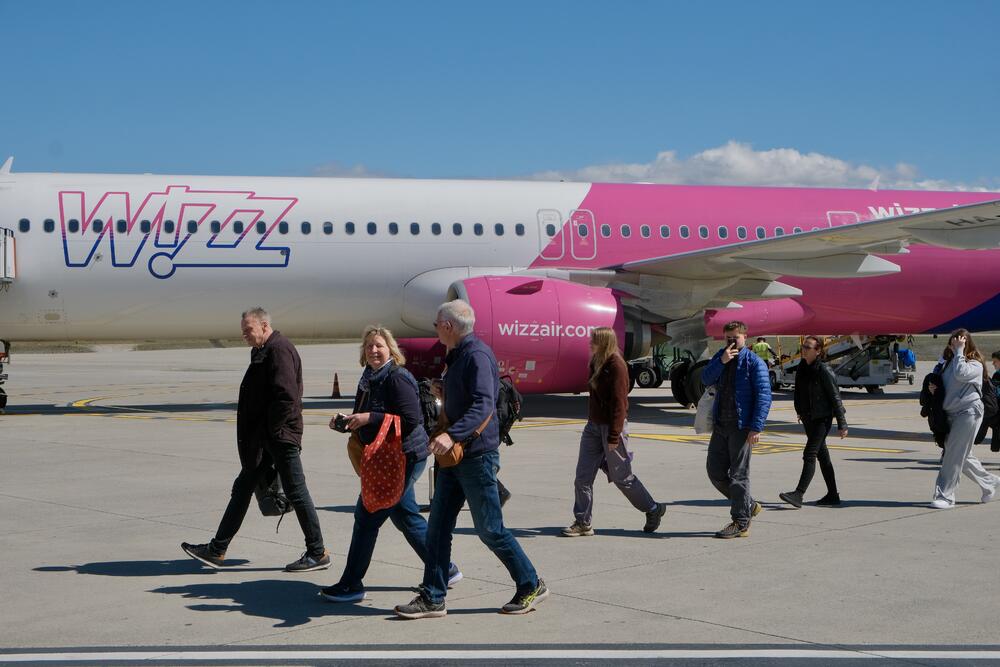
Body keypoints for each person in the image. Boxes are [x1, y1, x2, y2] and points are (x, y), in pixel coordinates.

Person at [394, 299, 547, 619]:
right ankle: (433, 596)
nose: (435, 330)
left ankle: (530, 583)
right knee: (437, 529)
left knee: (490, 529)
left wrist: (452, 435)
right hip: (453, 459)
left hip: (475, 457)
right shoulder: (458, 354)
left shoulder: (476, 355)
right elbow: (468, 397)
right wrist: (444, 389)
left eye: (437, 324)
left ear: (448, 326)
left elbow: (483, 404)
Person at [182, 307, 330, 571]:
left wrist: (271, 431)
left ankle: (317, 552)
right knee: (242, 489)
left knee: (296, 491)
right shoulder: (263, 350)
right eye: (243, 331)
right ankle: (217, 549)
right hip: (266, 439)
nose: (244, 335)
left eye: (248, 329)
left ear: (264, 325)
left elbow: (287, 397)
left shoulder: (278, 350)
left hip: (279, 438)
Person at [321, 326, 462, 603]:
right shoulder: (369, 377)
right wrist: (349, 422)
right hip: (385, 456)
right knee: (405, 516)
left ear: (391, 350)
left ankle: (351, 584)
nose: (373, 350)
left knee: (366, 518)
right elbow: (368, 414)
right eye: (369, 346)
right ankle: (445, 569)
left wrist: (369, 418)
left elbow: (411, 420)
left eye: (379, 346)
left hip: (404, 457)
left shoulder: (398, 377)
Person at [562, 326, 666, 537]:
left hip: (612, 428)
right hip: (593, 427)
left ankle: (653, 508)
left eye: (594, 340)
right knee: (582, 478)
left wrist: (613, 436)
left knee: (622, 478)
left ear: (604, 343)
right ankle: (582, 522)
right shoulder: (596, 362)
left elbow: (620, 404)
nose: (590, 343)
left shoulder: (617, 365)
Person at [701, 321, 772, 538]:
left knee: (739, 475)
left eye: (735, 338)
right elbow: (705, 378)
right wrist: (721, 361)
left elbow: (764, 396)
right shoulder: (721, 357)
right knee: (714, 471)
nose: (731, 342)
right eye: (728, 338)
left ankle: (741, 521)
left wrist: (756, 427)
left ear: (745, 337)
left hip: (741, 426)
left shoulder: (754, 362)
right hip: (721, 424)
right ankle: (748, 504)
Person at [929, 330, 1000, 508]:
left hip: (968, 412)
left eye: (959, 342)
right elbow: (946, 384)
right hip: (950, 414)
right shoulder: (948, 363)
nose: (954, 345)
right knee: (962, 454)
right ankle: (989, 482)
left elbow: (961, 373)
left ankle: (945, 496)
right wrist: (934, 388)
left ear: (966, 344)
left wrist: (960, 351)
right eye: (953, 342)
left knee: (952, 454)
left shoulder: (975, 364)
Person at [778, 336, 847, 508]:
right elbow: (800, 392)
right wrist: (800, 410)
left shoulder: (824, 370)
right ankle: (833, 495)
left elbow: (835, 397)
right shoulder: (802, 366)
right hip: (808, 417)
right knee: (823, 456)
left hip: (822, 419)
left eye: (808, 347)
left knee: (810, 454)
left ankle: (798, 494)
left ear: (818, 351)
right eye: (803, 346)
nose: (804, 349)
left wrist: (842, 423)